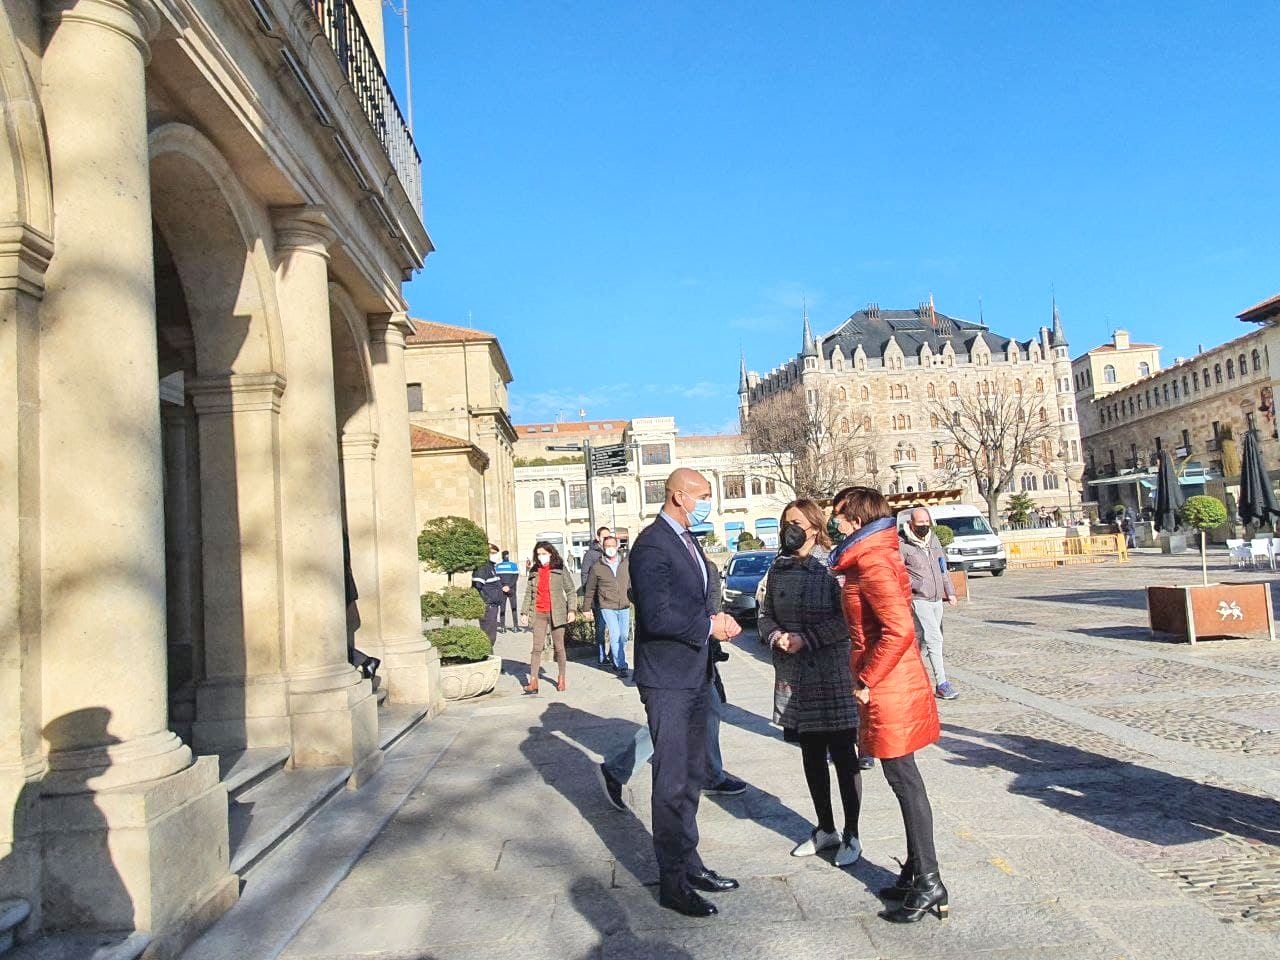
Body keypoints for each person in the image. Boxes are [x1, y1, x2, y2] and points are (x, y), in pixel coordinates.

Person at [830, 486, 947, 924]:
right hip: (889, 682)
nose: (836, 523)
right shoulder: (867, 557)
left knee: (905, 780)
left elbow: (899, 631)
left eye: (841, 516)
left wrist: (866, 679)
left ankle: (930, 880)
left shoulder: (874, 561)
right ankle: (918, 870)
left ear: (857, 519)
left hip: (889, 685)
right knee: (904, 778)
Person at [629, 468, 742, 918]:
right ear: (679, 496)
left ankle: (690, 863)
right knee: (672, 780)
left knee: (692, 775)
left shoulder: (687, 539)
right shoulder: (651, 544)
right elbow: (658, 615)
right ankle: (673, 882)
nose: (707, 503)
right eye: (703, 496)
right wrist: (707, 627)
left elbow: (694, 600)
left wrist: (719, 619)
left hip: (696, 673)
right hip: (668, 680)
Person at [758, 498, 862, 867]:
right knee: (811, 754)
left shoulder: (833, 567)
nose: (791, 528)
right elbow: (764, 615)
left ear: (815, 528)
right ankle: (824, 827)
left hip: (831, 674)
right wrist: (777, 637)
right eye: (786, 522)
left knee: (844, 755)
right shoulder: (778, 567)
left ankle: (852, 833)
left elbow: (849, 620)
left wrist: (809, 638)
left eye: (797, 521)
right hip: (795, 675)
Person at [899, 507, 959, 700]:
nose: (924, 527)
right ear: (911, 524)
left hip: (936, 598)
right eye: (920, 524)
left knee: (925, 641)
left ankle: (911, 677)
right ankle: (942, 683)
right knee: (934, 638)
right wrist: (916, 584)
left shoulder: (933, 540)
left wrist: (949, 591)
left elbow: (942, 567)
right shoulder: (902, 544)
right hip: (919, 598)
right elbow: (898, 573)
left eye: (927, 523)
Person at [518, 541, 577, 694]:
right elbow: (528, 593)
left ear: (551, 553)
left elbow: (570, 590)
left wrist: (571, 610)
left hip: (556, 612)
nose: (541, 556)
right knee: (536, 648)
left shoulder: (559, 569)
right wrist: (524, 612)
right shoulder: (534, 571)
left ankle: (562, 678)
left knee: (559, 648)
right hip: (539, 613)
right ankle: (533, 681)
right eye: (538, 554)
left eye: (544, 553)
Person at [584, 536, 632, 677]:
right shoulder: (597, 567)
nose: (610, 548)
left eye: (612, 545)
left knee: (623, 636)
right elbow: (590, 589)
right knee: (615, 634)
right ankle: (620, 665)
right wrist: (586, 608)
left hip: (624, 604)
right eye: (607, 546)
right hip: (607, 605)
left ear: (617, 546)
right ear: (603, 548)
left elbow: (632, 582)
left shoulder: (626, 563)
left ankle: (617, 658)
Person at [581, 525, 611, 664]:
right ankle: (601, 655)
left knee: (614, 628)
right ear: (598, 538)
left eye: (608, 536)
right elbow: (585, 574)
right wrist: (589, 595)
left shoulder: (612, 552)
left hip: (612, 597)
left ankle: (612, 653)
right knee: (600, 627)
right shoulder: (591, 554)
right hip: (598, 598)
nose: (607, 539)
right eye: (604, 536)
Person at [471, 543, 506, 648]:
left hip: (493, 605)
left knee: (491, 636)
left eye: (496, 553)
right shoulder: (482, 567)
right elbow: (477, 587)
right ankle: (486, 656)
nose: (495, 555)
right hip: (488, 606)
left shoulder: (491, 567)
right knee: (488, 636)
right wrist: (486, 600)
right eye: (492, 553)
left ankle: (488, 654)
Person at [495, 550, 521, 633]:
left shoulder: (497, 566)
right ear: (508, 556)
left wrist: (503, 587)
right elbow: (515, 578)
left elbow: (497, 579)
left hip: (502, 590)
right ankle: (516, 627)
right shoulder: (514, 565)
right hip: (512, 589)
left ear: (502, 556)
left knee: (502, 608)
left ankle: (502, 627)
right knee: (514, 608)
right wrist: (509, 586)